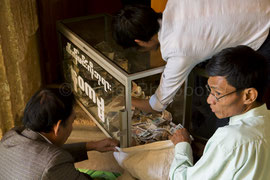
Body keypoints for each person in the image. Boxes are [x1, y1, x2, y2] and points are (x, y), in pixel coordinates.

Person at [112, 0, 270, 113]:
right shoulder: (175, 3)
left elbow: (157, 105)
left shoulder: (177, 49)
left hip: (264, 32)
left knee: (247, 103)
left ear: (139, 42)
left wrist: (127, 100)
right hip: (260, 6)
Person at [169, 45, 270, 179]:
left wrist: (182, 145)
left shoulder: (231, 138)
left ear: (249, 95)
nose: (210, 99)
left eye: (217, 93)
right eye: (210, 90)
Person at [0, 88, 119, 180]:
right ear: (57, 127)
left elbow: (43, 153)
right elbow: (51, 159)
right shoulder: (53, 163)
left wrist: (92, 145)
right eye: (72, 122)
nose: (72, 127)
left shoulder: (11, 136)